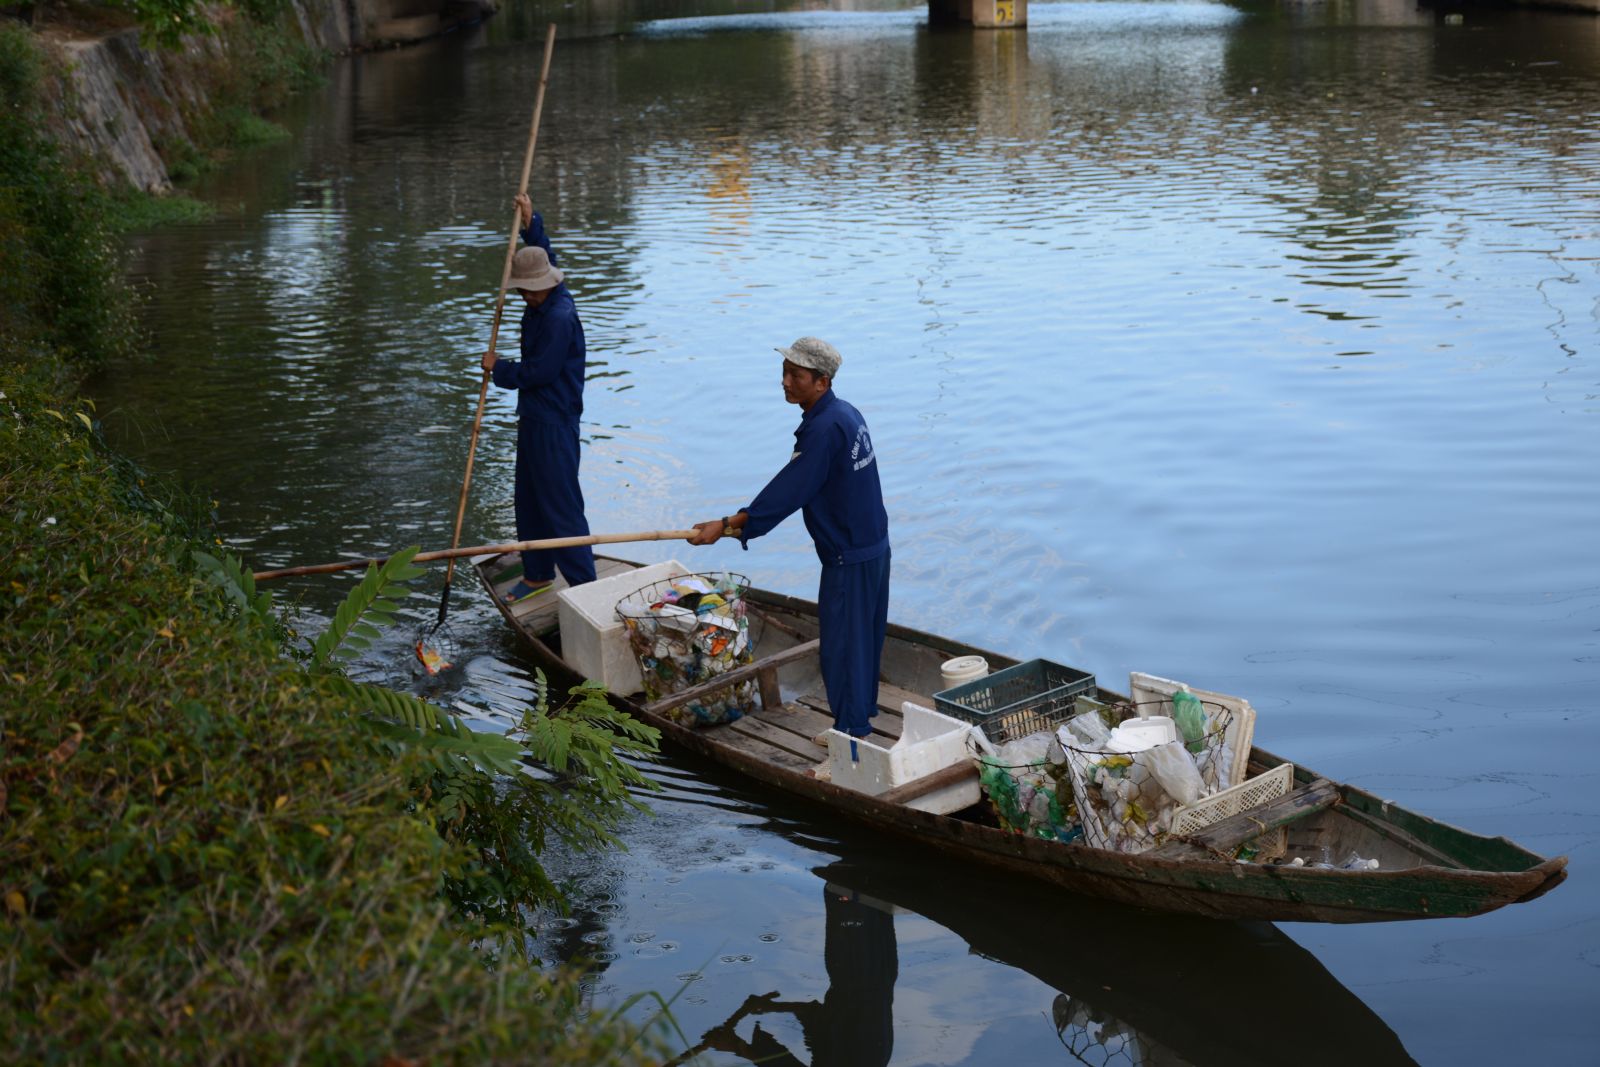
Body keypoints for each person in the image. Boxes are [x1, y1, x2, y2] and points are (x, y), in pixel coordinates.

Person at [687, 337, 890, 763]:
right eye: (784, 372)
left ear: (822, 381)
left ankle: (852, 749)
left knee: (842, 652)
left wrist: (727, 525)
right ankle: (854, 722)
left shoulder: (824, 428)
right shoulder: (846, 414)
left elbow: (789, 491)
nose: (784, 382)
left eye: (795, 375)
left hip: (848, 558)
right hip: (873, 548)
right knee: (863, 644)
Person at [482, 192, 596, 601]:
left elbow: (539, 373)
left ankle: (586, 588)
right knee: (528, 498)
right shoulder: (545, 297)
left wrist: (499, 368)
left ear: (546, 286)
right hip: (533, 416)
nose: (525, 296)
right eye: (523, 290)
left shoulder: (559, 317)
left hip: (554, 420)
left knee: (560, 503)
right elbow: (545, 254)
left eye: (530, 290)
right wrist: (532, 224)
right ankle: (538, 573)